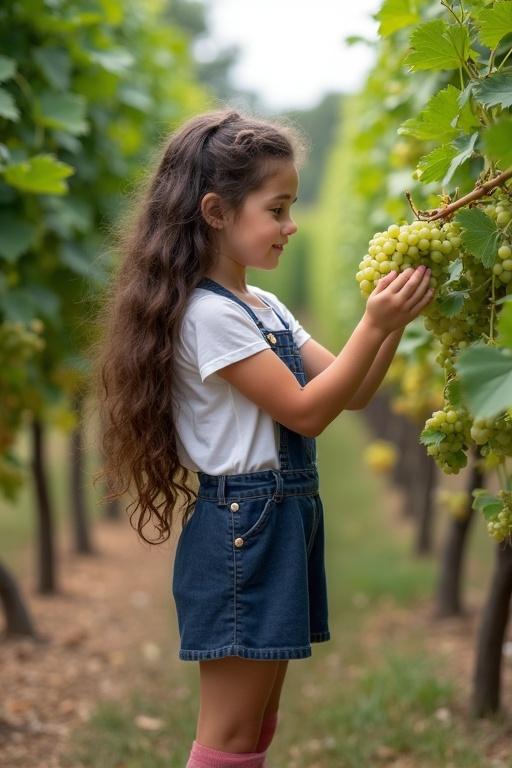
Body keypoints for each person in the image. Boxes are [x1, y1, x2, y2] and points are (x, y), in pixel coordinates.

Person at [93, 107, 434, 768]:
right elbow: (306, 413)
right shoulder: (208, 316)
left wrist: (391, 325)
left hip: (280, 520)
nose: (290, 225)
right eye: (277, 208)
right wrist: (372, 320)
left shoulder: (265, 307)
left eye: (293, 207)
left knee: (255, 727)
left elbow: (354, 391)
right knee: (228, 732)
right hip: (242, 527)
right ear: (217, 211)